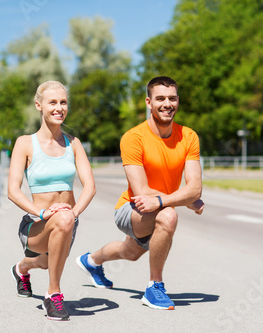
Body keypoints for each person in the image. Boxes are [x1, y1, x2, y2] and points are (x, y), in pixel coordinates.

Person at [76, 76, 204, 310]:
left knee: (130, 251)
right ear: (148, 102)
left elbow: (195, 188)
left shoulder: (189, 136)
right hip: (131, 208)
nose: (167, 104)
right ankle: (154, 287)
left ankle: (92, 261)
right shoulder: (133, 138)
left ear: (178, 101)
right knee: (168, 216)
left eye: (172, 98)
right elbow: (142, 192)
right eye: (160, 98)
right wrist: (183, 201)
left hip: (157, 205)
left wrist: (178, 198)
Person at [8, 80, 96, 321]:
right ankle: (53, 294)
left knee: (47, 263)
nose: (59, 108)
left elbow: (90, 186)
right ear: (39, 105)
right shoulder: (25, 143)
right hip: (36, 223)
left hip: (67, 222)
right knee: (50, 257)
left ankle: (21, 269)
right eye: (53, 102)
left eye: (63, 102)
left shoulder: (74, 144)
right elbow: (13, 191)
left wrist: (74, 213)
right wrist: (44, 213)